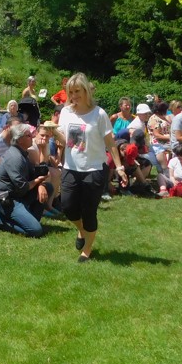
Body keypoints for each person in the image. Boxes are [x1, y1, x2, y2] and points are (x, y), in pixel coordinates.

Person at [53, 73, 126, 261]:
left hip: (94, 169)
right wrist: (53, 131)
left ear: (86, 91)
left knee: (89, 211)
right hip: (70, 167)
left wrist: (119, 167)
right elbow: (67, 141)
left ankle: (87, 249)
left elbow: (110, 143)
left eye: (77, 91)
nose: (73, 96)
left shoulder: (99, 114)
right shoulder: (66, 112)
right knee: (68, 207)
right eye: (70, 92)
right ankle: (81, 230)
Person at [0, 123, 49, 237]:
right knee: (36, 231)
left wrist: (41, 185)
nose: (32, 137)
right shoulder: (15, 157)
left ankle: (29, 220)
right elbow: (22, 187)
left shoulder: (22, 153)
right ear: (19, 139)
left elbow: (34, 174)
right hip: (8, 199)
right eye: (28, 135)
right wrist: (38, 181)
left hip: (18, 194)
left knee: (48, 188)